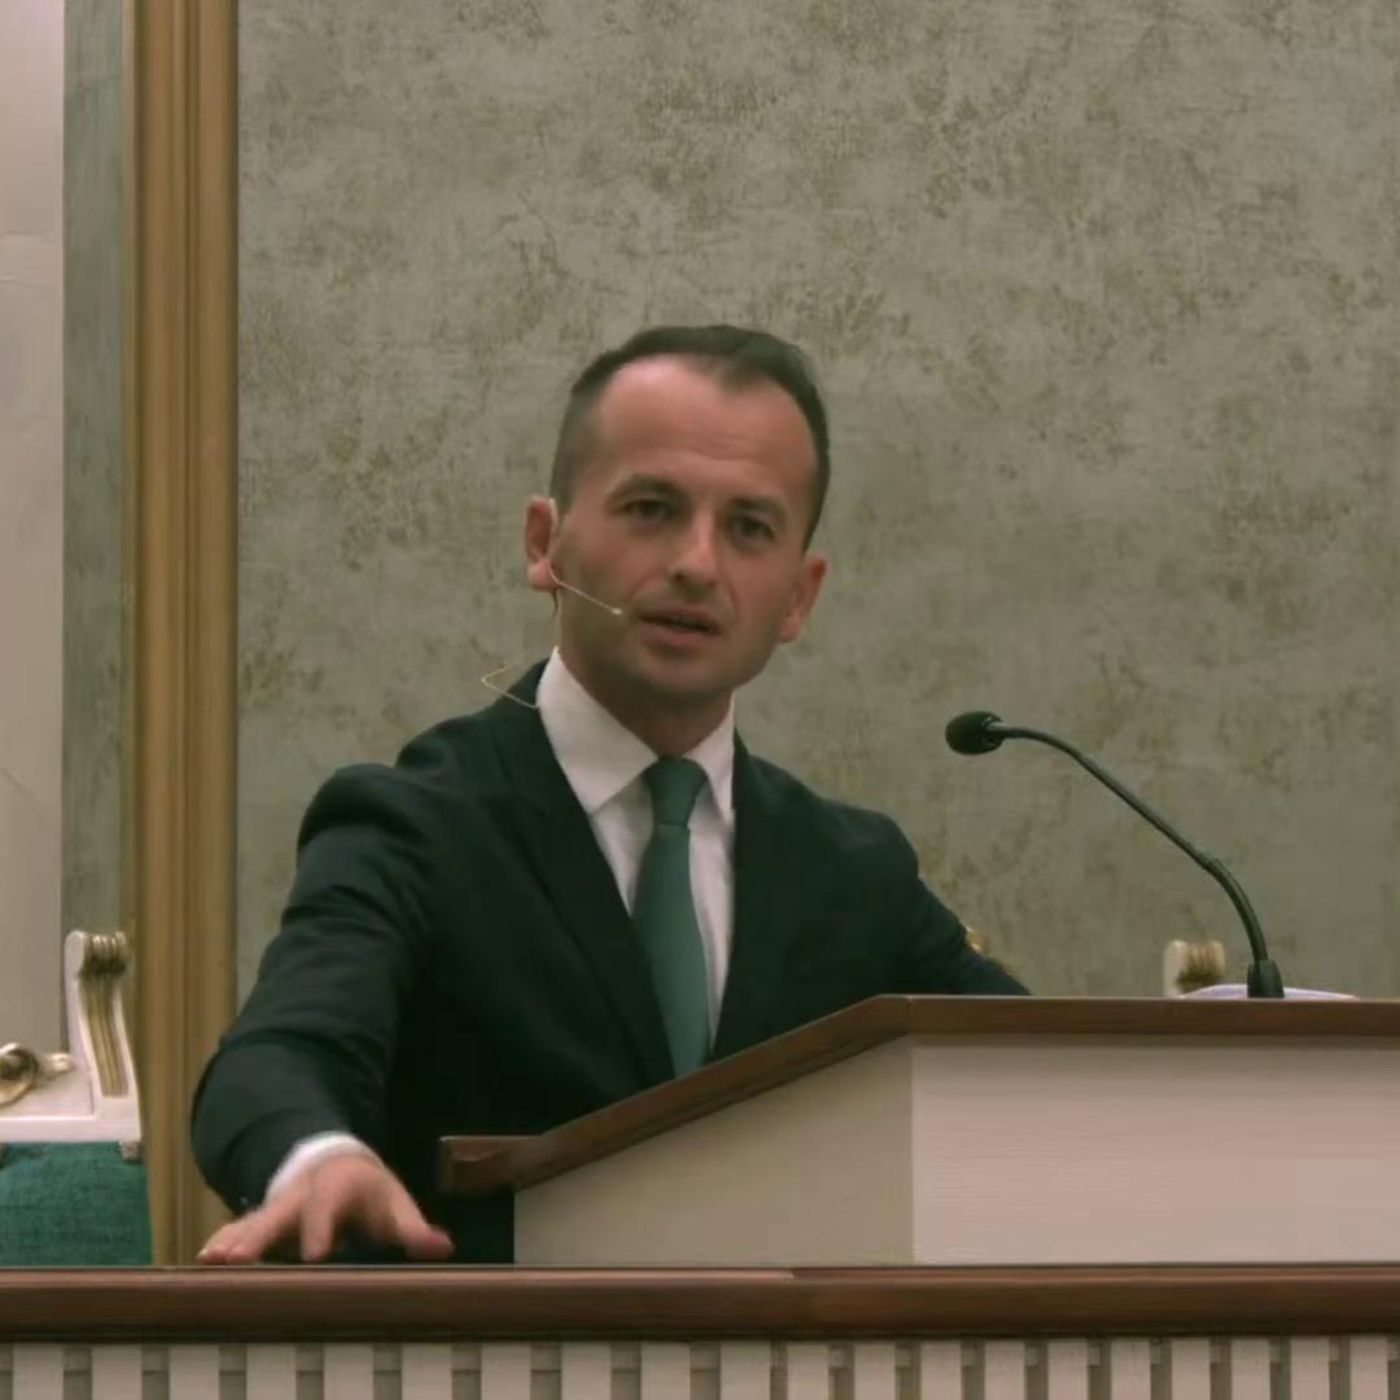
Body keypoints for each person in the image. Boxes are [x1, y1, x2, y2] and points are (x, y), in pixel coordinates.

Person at [192, 324, 1027, 1266]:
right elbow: (276, 1058)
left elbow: (1031, 1078)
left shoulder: (852, 873)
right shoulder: (413, 825)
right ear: (545, 543)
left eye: (749, 529)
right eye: (651, 509)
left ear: (799, 595)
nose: (698, 564)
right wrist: (317, 1156)